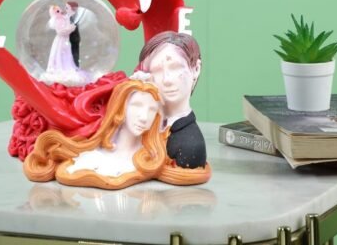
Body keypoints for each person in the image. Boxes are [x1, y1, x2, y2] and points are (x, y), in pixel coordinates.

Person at [23, 77, 210, 189]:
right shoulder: (88, 157)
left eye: (152, 110)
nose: (143, 117)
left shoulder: (150, 160)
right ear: (120, 108)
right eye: (136, 106)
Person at [138, 31, 207, 170]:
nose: (167, 79)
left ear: (196, 69)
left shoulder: (190, 144)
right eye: (157, 70)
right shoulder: (140, 125)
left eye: (175, 68)